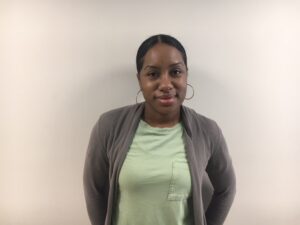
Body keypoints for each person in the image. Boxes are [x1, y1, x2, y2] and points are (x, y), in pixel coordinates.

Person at [83, 34, 236, 225]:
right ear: (139, 79)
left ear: (186, 75)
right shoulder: (109, 126)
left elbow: (226, 189)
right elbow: (94, 190)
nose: (165, 84)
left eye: (175, 72)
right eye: (153, 74)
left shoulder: (207, 131)